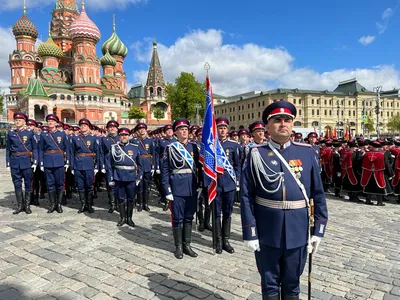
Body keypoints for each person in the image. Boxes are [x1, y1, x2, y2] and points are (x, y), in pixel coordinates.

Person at [240, 100, 328, 300]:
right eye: (277, 120)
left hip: (298, 229)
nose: (283, 124)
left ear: (292, 123)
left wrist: (319, 229)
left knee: (292, 285)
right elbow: (246, 195)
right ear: (268, 126)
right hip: (267, 230)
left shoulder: (306, 152)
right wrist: (250, 231)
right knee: (270, 287)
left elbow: (318, 193)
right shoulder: (255, 154)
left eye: (287, 120)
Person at [162, 118, 201, 259]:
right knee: (177, 218)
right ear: (176, 132)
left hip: (191, 187)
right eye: (181, 129)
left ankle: (187, 245)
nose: (184, 131)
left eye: (186, 129)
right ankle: (178, 246)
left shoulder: (195, 147)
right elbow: (165, 170)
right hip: (177, 187)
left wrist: (201, 184)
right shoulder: (170, 148)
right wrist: (167, 189)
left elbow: (200, 168)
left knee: (189, 217)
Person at [215, 117, 241, 254]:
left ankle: (226, 240)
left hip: (229, 184)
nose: (222, 130)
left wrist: (237, 181)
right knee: (216, 214)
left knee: (227, 213)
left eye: (224, 127)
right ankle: (218, 241)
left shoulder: (234, 145)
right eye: (220, 127)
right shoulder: (211, 145)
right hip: (216, 184)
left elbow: (237, 165)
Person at [109, 128, 143, 226]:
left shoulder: (135, 147)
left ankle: (129, 218)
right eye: (122, 135)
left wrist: (139, 177)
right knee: (120, 198)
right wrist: (110, 178)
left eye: (126, 135)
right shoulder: (114, 148)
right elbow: (109, 165)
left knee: (131, 198)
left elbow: (140, 165)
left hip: (131, 177)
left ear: (129, 136)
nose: (124, 136)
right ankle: (122, 217)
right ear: (119, 136)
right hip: (118, 176)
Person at [6, 112, 38, 214]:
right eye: (16, 120)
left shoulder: (29, 132)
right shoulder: (11, 133)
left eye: (20, 120)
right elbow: (8, 149)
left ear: (24, 122)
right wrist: (8, 163)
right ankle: (20, 205)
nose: (17, 121)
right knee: (17, 184)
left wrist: (35, 161)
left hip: (26, 161)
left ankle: (27, 205)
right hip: (15, 161)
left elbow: (34, 148)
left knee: (28, 183)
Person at [39, 114, 70, 213]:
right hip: (48, 161)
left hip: (59, 161)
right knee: (50, 184)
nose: (50, 122)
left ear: (56, 123)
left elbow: (67, 148)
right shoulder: (44, 135)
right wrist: (41, 162)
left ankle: (59, 204)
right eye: (48, 121)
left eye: (52, 121)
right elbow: (40, 149)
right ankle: (52, 204)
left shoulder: (62, 134)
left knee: (60, 184)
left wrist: (67, 161)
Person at [70, 118, 100, 214]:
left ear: (88, 127)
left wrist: (97, 166)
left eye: (85, 125)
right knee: (80, 186)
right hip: (78, 164)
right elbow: (71, 153)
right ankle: (83, 205)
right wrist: (72, 166)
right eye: (81, 125)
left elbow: (98, 153)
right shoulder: (75, 138)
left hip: (89, 164)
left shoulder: (93, 138)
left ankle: (89, 205)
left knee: (89, 186)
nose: (83, 127)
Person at [101, 120, 120, 213]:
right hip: (108, 162)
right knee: (110, 183)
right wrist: (102, 165)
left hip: (119, 163)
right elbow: (101, 153)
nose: (112, 128)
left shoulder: (121, 138)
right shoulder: (104, 139)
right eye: (110, 127)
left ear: (117, 129)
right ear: (107, 129)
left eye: (114, 127)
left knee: (119, 184)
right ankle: (112, 204)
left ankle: (119, 203)